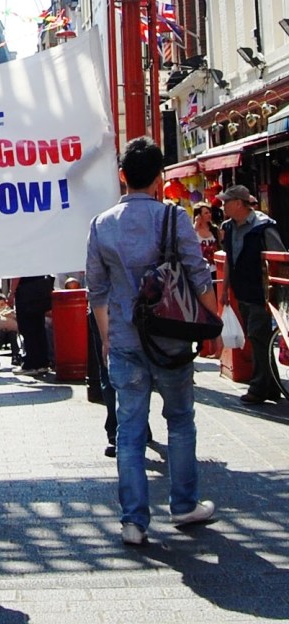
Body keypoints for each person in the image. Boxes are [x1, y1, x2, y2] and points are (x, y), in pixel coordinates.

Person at [86, 136, 218, 546]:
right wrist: (211, 323)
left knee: (129, 430)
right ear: (160, 178)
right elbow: (198, 274)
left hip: (125, 338)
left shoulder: (101, 224)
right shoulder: (174, 219)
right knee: (179, 420)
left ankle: (133, 521)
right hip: (171, 338)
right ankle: (183, 505)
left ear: (122, 176)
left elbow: (97, 291)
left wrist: (107, 338)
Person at [220, 184, 285, 406]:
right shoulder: (229, 227)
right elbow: (228, 259)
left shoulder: (263, 226)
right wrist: (225, 289)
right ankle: (271, 385)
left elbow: (278, 259)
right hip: (242, 290)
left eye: (226, 202)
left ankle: (259, 387)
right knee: (258, 338)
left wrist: (276, 294)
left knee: (258, 336)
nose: (223, 206)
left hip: (261, 292)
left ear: (239, 203)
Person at [11, 273, 55, 377]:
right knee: (39, 326)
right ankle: (42, 363)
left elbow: (17, 273)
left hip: (25, 290)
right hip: (40, 287)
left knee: (27, 328)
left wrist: (11, 292)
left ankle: (30, 364)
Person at [192, 202, 221, 266]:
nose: (209, 215)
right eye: (206, 213)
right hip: (200, 267)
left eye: (209, 212)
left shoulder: (214, 229)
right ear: (199, 215)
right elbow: (189, 240)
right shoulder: (194, 230)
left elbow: (220, 245)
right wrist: (196, 223)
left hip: (215, 266)